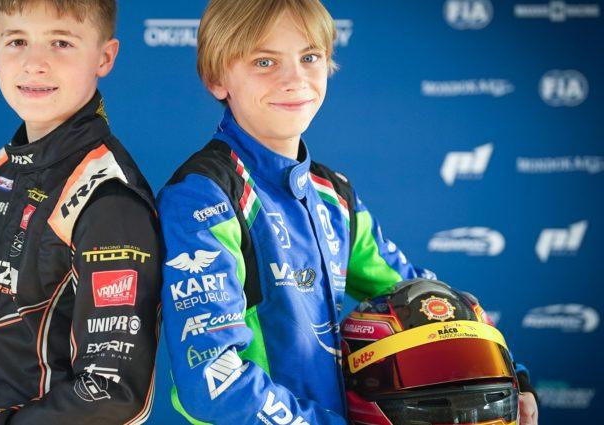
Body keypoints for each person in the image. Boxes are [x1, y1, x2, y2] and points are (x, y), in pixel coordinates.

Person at [157, 0, 538, 424]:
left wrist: (514, 377)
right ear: (217, 78)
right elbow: (212, 381)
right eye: (265, 61)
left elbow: (425, 300)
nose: (294, 79)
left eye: (309, 57)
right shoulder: (203, 195)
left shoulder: (332, 195)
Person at [0, 1, 160, 423]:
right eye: (17, 41)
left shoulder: (107, 197)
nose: (35, 63)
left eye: (61, 43)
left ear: (104, 57)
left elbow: (113, 392)